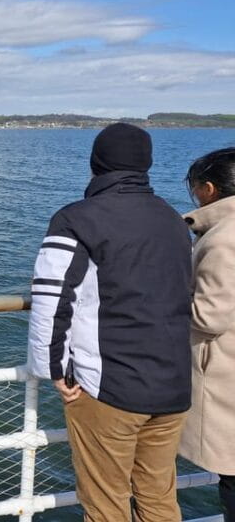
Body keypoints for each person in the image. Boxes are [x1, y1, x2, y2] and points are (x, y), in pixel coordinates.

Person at [26, 123, 193, 521]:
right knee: (158, 499)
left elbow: (51, 298)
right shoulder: (173, 220)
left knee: (105, 505)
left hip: (111, 388)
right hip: (172, 386)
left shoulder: (77, 219)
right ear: (146, 165)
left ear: (95, 163)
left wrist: (53, 370)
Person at [179, 147, 235, 521]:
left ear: (210, 189)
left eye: (196, 187)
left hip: (226, 379)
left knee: (232, 482)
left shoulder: (224, 238)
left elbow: (208, 316)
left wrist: (165, 297)